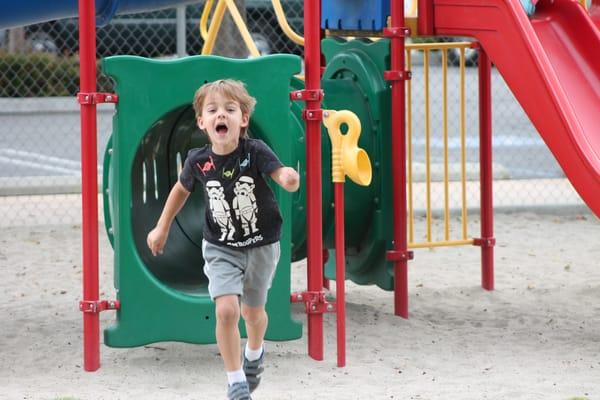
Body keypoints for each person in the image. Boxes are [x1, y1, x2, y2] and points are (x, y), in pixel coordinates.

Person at [146, 79, 300, 400]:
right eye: (213, 110)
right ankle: (235, 380)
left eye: (230, 110)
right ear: (202, 122)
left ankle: (255, 353)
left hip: (261, 243)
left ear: (243, 119)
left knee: (253, 314)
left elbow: (278, 171)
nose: (222, 115)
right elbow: (180, 191)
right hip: (220, 246)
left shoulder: (255, 152)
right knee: (227, 311)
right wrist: (162, 227)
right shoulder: (197, 161)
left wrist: (287, 177)